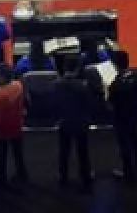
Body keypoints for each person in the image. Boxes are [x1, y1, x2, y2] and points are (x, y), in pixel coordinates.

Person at [107, 50, 137, 182]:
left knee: (124, 145)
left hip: (121, 118)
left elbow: (111, 104)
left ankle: (128, 171)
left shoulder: (115, 84)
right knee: (135, 140)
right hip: (134, 114)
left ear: (115, 65)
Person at [0, 64, 29, 188]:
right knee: (18, 154)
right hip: (16, 126)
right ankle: (22, 175)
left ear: (1, 77)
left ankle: (1, 179)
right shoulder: (19, 86)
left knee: (1, 156)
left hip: (1, 129)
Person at [54, 62, 94, 192]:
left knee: (64, 151)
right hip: (80, 122)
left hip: (64, 121)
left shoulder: (56, 85)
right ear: (76, 69)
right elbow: (88, 104)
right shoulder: (82, 86)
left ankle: (63, 177)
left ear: (65, 68)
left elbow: (53, 104)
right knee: (83, 152)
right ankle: (85, 178)